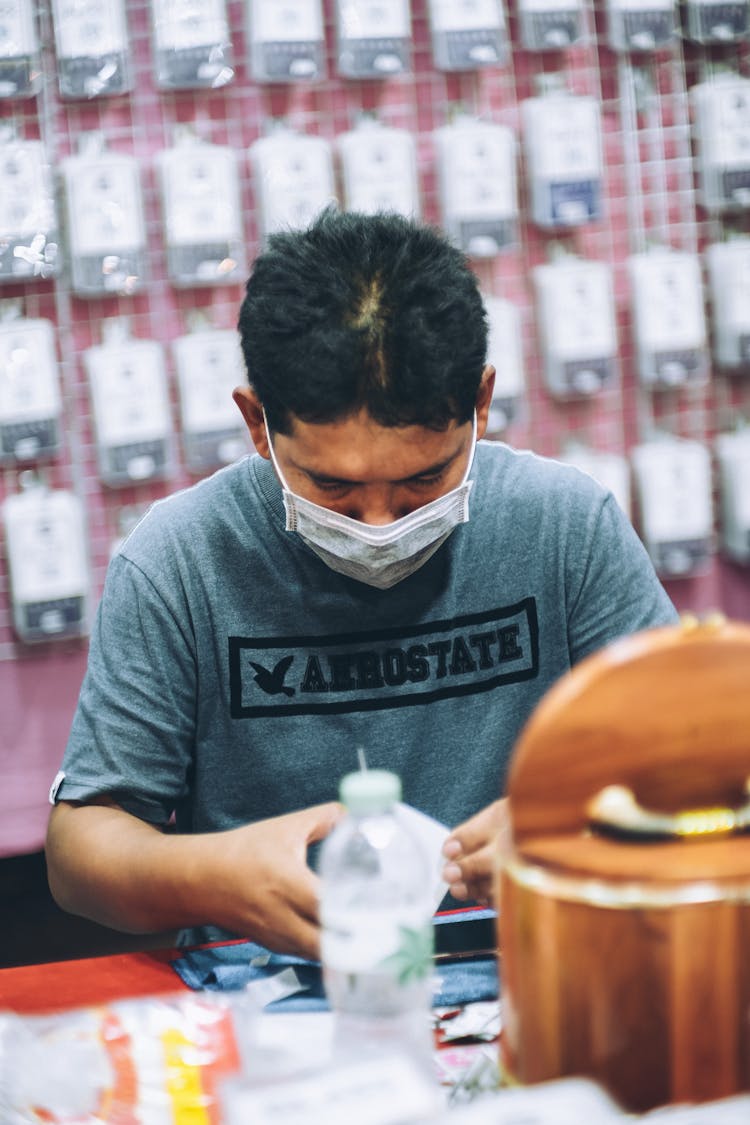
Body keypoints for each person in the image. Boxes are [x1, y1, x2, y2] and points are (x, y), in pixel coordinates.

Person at [46, 208, 677, 959]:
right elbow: (80, 850)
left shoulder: (565, 526)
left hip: (534, 971)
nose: (380, 521)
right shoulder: (179, 561)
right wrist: (207, 874)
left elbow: (701, 754)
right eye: (334, 487)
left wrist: (582, 821)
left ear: (480, 404)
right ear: (257, 423)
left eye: (423, 480)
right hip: (272, 996)